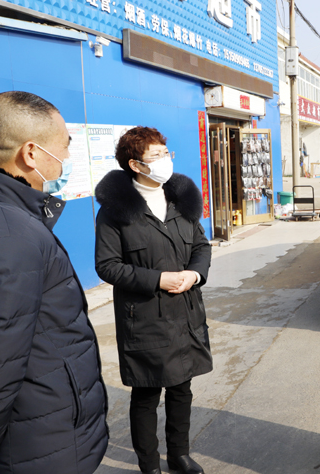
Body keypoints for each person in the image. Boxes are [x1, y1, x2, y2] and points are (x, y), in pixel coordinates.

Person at [0, 91, 108, 473]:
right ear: (31, 154)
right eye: (64, 146)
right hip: (42, 446)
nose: (67, 156)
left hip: (38, 432)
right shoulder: (11, 240)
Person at [95, 126, 212, 474]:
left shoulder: (180, 199)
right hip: (144, 317)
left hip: (185, 311)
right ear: (135, 164)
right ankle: (149, 465)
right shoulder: (115, 211)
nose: (165, 161)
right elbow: (107, 265)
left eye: (165, 153)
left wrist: (194, 274)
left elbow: (201, 246)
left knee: (181, 388)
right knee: (146, 394)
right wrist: (158, 279)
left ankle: (179, 455)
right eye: (155, 155)